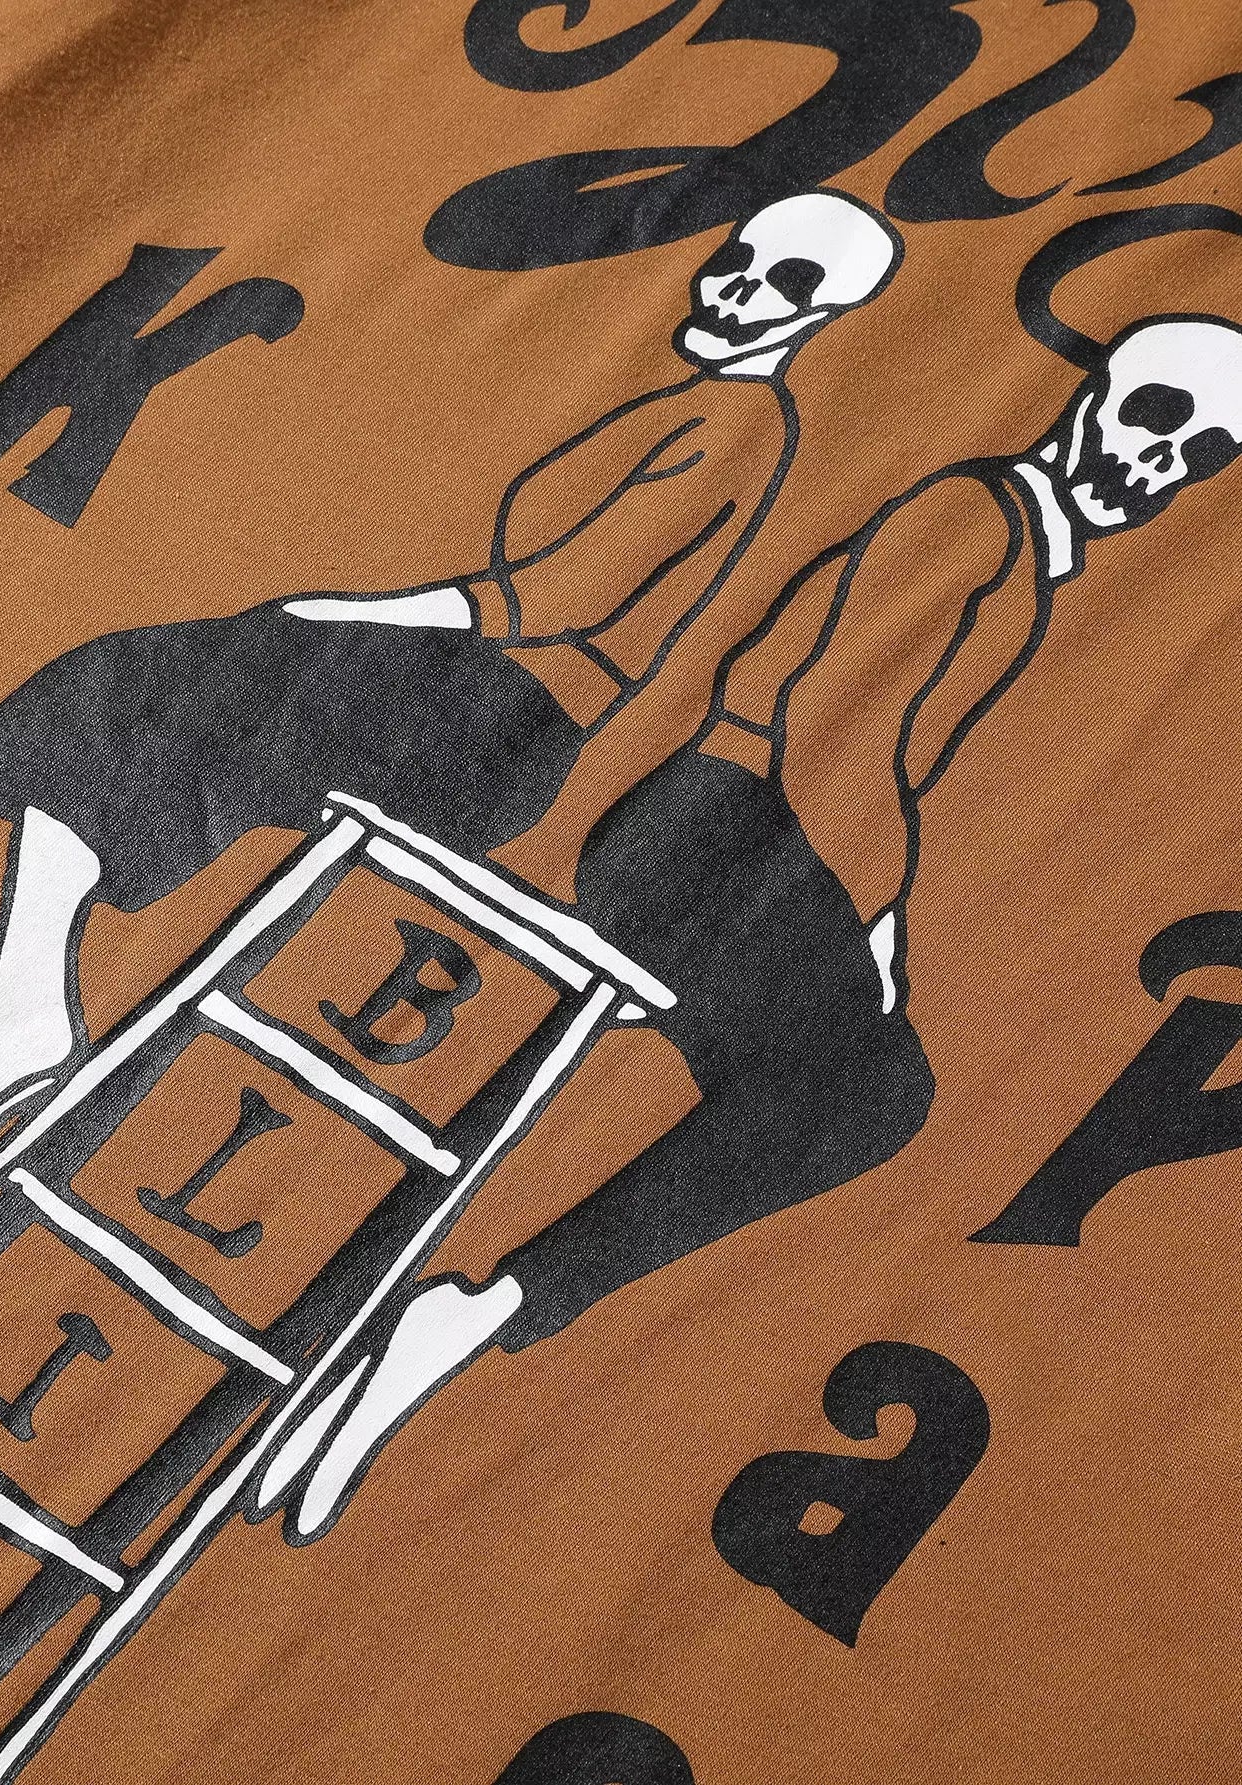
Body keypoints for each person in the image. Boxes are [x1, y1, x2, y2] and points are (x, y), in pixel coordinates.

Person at [275, 312, 1242, 1542]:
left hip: (752, 843)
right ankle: (488, 1306)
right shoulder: (973, 516)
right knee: (871, 1092)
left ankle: (485, 1309)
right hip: (719, 834)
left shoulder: (1012, 546)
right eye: (1153, 421)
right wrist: (876, 921)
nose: (1155, 466)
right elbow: (840, 721)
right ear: (1094, 397)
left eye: (1199, 459)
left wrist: (873, 924)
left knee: (857, 1094)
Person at [0, 191, 903, 1180]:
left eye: (783, 283)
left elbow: (549, 598)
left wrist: (348, 611)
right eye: (732, 261)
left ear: (822, 315)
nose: (732, 291)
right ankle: (23, 1009)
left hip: (497, 720)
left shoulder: (737, 425)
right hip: (462, 690)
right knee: (132, 691)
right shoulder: (692, 404)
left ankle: (21, 1018)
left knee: (149, 682)